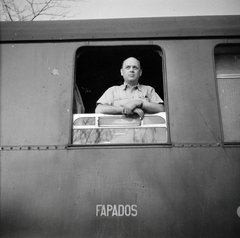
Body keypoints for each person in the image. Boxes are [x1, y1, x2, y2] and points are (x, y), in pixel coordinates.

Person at [95, 57, 164, 119]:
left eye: (135, 67)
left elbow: (161, 109)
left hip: (144, 131)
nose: (131, 70)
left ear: (140, 72)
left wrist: (139, 103)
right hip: (119, 131)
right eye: (128, 67)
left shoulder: (149, 90)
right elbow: (99, 109)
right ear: (122, 72)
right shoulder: (112, 91)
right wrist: (123, 109)